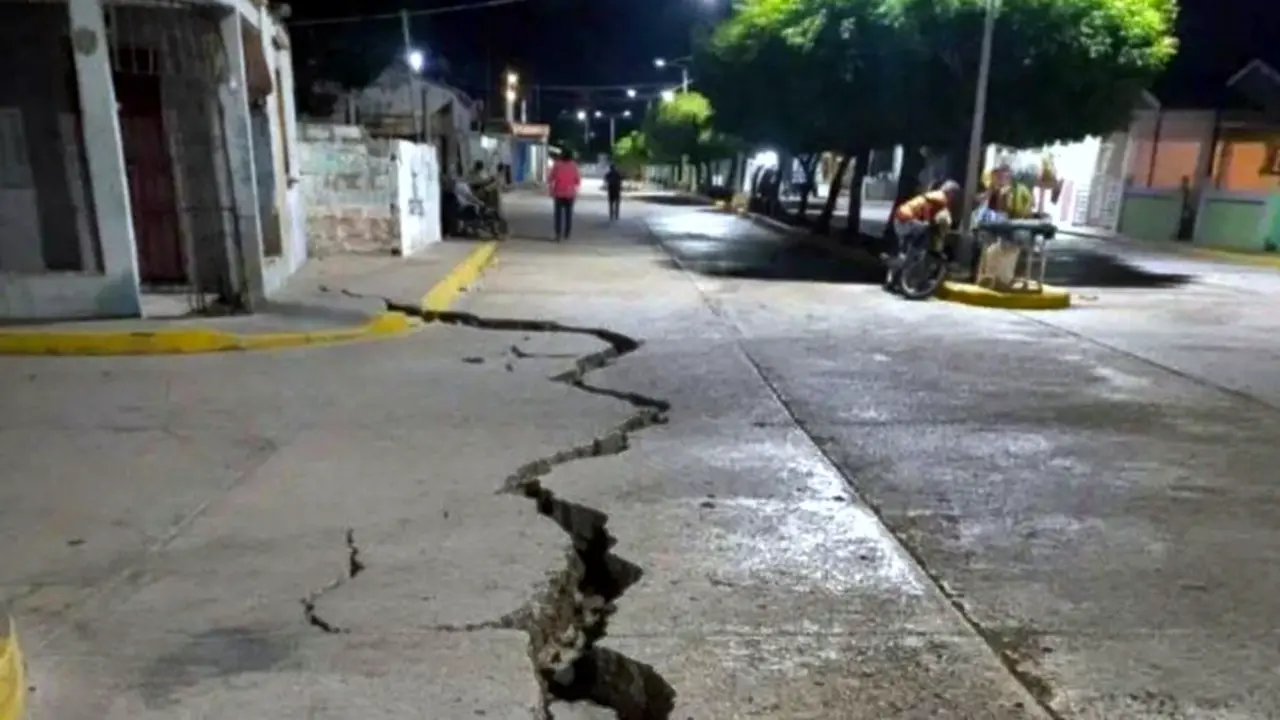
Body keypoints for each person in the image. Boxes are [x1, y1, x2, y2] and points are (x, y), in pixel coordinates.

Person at [884, 180, 962, 290]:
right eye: (954, 194)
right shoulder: (941, 198)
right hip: (905, 220)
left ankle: (894, 279)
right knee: (923, 234)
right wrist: (928, 222)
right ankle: (907, 262)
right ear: (950, 192)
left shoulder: (935, 194)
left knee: (908, 250)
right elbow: (927, 207)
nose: (954, 199)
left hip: (900, 218)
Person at [548, 150, 581, 241]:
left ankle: (558, 234)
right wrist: (575, 189)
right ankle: (567, 233)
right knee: (568, 214)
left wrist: (551, 190)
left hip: (558, 193)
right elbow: (577, 180)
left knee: (558, 215)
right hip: (570, 194)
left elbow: (550, 178)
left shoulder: (557, 165)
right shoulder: (574, 166)